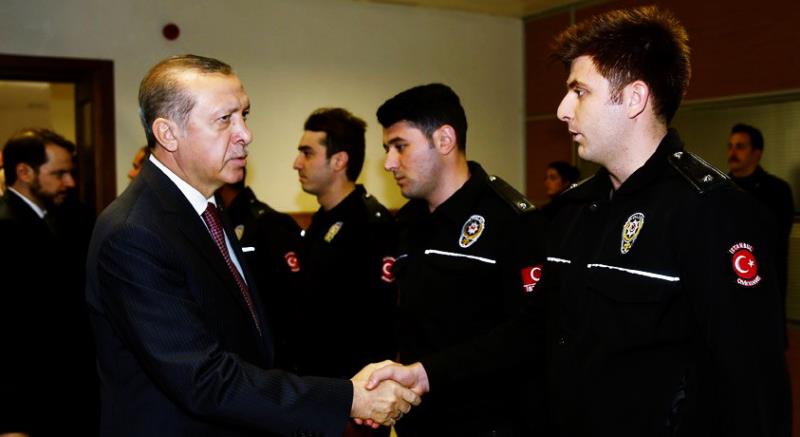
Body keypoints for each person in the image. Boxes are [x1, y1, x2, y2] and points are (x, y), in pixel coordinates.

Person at [367, 7, 792, 437]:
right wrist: (426, 373)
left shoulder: (712, 212)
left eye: (579, 91)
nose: (562, 110)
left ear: (634, 98)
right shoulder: (573, 211)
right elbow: (532, 330)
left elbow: (753, 386)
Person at [85, 54, 418, 437]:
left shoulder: (206, 208)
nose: (246, 134)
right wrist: (347, 398)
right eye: (224, 119)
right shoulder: (134, 233)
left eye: (244, 115)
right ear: (168, 134)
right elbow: (203, 379)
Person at [373, 83, 544, 436]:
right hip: (419, 422)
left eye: (400, 146)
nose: (389, 163)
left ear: (445, 140)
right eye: (387, 149)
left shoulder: (509, 220)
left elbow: (530, 334)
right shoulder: (408, 222)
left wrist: (431, 373)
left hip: (486, 423)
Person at [0, 128, 98, 436]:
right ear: (24, 173)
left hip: (62, 394)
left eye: (70, 173)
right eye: (59, 174)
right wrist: (10, 420)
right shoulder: (7, 229)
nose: (70, 182)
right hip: (33, 402)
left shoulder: (59, 217)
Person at [216, 169, 304, 369]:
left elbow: (294, 296)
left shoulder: (268, 223)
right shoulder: (219, 223)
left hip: (276, 354)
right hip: (239, 349)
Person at [727, 123, 795, 338]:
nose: (732, 152)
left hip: (763, 280)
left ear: (757, 153)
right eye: (730, 146)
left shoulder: (777, 190)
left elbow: (775, 239)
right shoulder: (719, 189)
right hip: (727, 283)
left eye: (740, 146)